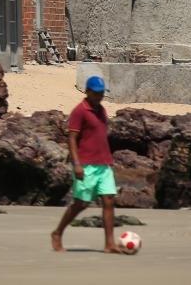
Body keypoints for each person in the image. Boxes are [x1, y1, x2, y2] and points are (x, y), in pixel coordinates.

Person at [51, 75, 121, 253]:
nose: (99, 96)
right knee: (81, 203)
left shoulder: (102, 110)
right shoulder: (79, 111)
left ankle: (109, 244)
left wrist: (108, 159)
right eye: (96, 93)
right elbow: (72, 139)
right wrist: (77, 164)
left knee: (108, 201)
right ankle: (58, 233)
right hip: (86, 164)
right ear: (88, 91)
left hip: (104, 164)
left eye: (102, 93)